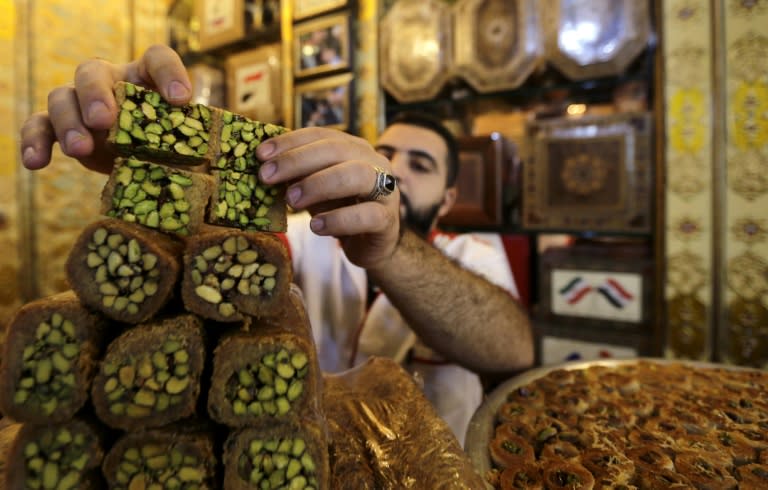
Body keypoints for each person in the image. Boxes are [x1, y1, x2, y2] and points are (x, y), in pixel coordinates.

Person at [20, 44, 534, 445]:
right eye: (386, 155)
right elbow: (198, 273)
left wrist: (393, 247)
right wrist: (161, 164)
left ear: (447, 198)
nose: (394, 171)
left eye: (419, 166)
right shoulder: (305, 237)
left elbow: (513, 349)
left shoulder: (473, 255)